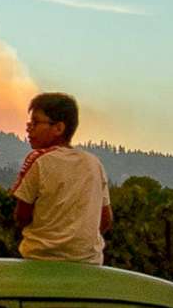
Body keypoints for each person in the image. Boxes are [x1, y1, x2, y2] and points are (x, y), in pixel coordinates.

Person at [12, 91, 111, 263]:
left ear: (58, 128)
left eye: (35, 122)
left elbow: (22, 216)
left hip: (40, 260)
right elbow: (106, 219)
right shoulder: (94, 164)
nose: (29, 128)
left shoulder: (38, 161)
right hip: (88, 263)